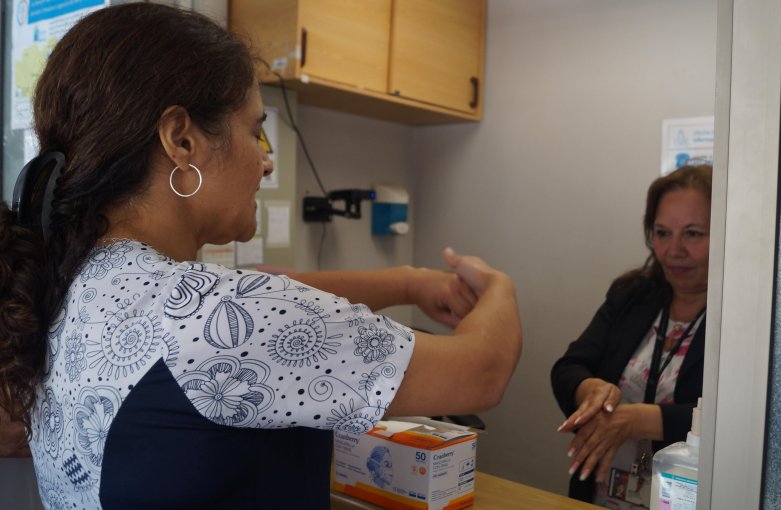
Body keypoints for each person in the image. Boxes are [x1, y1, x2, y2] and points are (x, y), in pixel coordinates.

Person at [0, 4, 521, 509]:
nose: (266, 163)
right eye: (254, 132)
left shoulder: (71, 284)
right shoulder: (217, 317)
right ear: (181, 140)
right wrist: (498, 288)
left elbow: (274, 286)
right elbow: (483, 372)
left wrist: (410, 283)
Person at [551, 164, 711, 507]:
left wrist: (635, 419)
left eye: (693, 234)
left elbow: (736, 420)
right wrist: (590, 390)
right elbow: (568, 367)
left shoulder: (745, 321)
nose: (673, 250)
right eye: (662, 233)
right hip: (601, 495)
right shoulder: (632, 293)